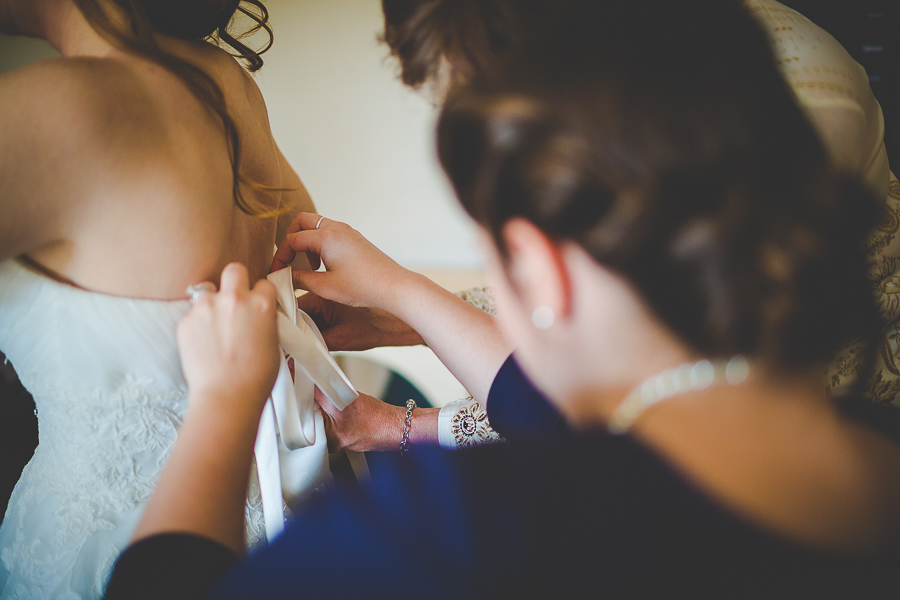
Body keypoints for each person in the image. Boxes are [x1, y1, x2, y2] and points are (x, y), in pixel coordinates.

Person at [106, 1, 900, 597]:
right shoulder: (870, 447)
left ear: (540, 270)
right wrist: (402, 293)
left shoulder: (456, 527)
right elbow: (569, 411)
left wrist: (220, 404)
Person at [0, 0, 316, 597]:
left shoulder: (46, 109)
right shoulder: (229, 85)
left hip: (107, 554)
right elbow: (304, 242)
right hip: (252, 525)